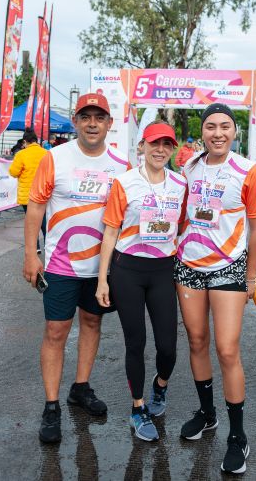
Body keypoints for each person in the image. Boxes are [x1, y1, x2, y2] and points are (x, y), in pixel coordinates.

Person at [23, 93, 131, 444]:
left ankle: (80, 388)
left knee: (92, 322)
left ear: (109, 123)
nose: (92, 123)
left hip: (101, 268)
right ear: (76, 121)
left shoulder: (121, 165)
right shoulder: (55, 158)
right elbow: (36, 208)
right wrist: (30, 254)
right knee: (56, 331)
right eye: (86, 117)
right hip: (59, 264)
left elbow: (128, 217)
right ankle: (51, 405)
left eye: (99, 117)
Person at [174, 103, 256, 474]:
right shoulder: (189, 166)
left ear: (235, 131)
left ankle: (238, 437)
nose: (217, 133)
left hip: (229, 268)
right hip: (188, 266)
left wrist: (250, 275)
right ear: (202, 131)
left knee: (227, 349)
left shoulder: (248, 171)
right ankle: (207, 413)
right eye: (211, 126)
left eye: (225, 127)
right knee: (196, 341)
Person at [94, 121, 185, 442]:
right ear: (142, 146)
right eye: (154, 143)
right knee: (136, 343)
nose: (160, 149)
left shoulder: (179, 184)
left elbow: (183, 227)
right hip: (127, 271)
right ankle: (138, 408)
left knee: (168, 348)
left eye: (166, 144)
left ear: (172, 149)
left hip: (163, 271)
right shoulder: (125, 183)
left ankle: (160, 386)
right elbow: (110, 231)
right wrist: (103, 279)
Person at [9, 128, 47, 253]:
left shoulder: (21, 154)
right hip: (43, 194)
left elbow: (13, 172)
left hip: (27, 195)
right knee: (44, 221)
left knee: (31, 222)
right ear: (36, 140)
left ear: (25, 142)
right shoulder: (46, 153)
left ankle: (35, 247)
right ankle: (48, 244)